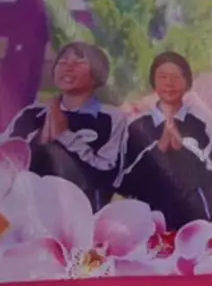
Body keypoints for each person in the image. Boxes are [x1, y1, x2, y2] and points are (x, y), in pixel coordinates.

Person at [4, 41, 124, 211]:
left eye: (79, 62)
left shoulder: (111, 118)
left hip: (79, 216)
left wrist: (65, 135)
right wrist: (39, 140)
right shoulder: (30, 114)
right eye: (63, 61)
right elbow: (6, 160)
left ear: (98, 72)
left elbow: (105, 175)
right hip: (25, 214)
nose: (68, 67)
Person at [116, 51, 212, 230]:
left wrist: (183, 148)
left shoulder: (201, 125)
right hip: (150, 224)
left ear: (187, 82)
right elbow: (125, 182)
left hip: (194, 223)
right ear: (153, 82)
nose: (169, 83)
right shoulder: (137, 127)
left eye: (176, 77)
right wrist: (159, 148)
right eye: (162, 77)